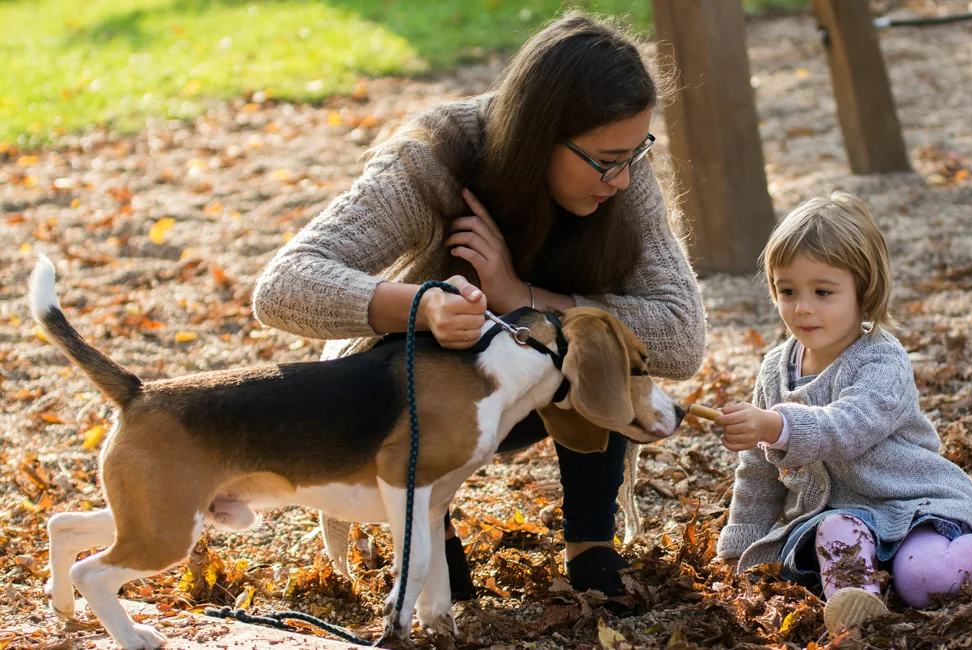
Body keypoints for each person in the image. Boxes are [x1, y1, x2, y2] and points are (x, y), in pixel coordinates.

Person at [253, 13, 705, 602]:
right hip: (418, 388)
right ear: (542, 136)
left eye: (634, 153)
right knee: (443, 344)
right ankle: (428, 525)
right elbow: (282, 285)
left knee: (598, 340)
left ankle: (591, 542)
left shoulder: (624, 173)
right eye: (606, 160)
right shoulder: (435, 160)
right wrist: (423, 307)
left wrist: (520, 297)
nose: (621, 179)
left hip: (541, 390)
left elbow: (681, 335)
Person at [713, 192, 972, 635]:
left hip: (909, 504)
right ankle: (860, 610)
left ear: (864, 291)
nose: (803, 306)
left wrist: (776, 425)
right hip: (835, 518)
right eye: (787, 290)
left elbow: (849, 426)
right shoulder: (775, 369)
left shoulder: (881, 360)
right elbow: (757, 470)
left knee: (925, 580)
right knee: (836, 530)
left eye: (823, 292)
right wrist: (739, 548)